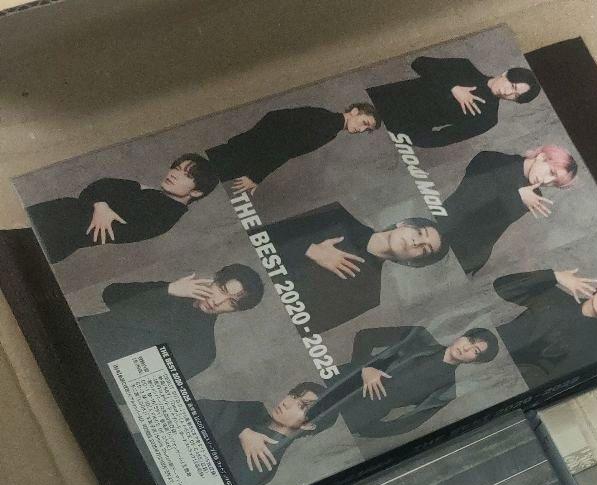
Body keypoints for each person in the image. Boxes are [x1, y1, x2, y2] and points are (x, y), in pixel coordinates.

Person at [264, 207, 446, 334]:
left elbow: (295, 327)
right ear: (403, 223)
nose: (417, 242)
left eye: (425, 249)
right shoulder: (337, 217)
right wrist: (308, 249)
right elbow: (259, 234)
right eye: (420, 233)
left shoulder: (369, 294)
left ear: (412, 263)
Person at [309, 323, 499, 441]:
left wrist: (363, 428)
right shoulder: (419, 336)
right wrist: (365, 368)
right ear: (462, 335)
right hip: (337, 384)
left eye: (475, 351)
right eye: (470, 340)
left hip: (355, 417)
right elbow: (365, 336)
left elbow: (407, 424)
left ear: (475, 361)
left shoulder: (447, 389)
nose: (466, 348)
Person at [76, 265, 264, 381]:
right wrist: (168, 289)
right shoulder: (173, 290)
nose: (217, 301)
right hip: (80, 333)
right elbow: (111, 294)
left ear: (235, 311)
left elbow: (135, 387)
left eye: (232, 303)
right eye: (222, 289)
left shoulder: (203, 351)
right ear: (214, 279)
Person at [26, 154, 218, 262]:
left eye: (186, 175)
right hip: (51, 217)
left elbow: (98, 224)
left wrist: (99, 202)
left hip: (53, 235)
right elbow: (98, 186)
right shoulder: (154, 195)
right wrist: (101, 204)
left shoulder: (163, 218)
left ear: (196, 192)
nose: (174, 174)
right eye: (176, 168)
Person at [493, 267, 597, 389]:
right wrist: (554, 276)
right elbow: (500, 288)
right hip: (487, 352)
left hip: (506, 387)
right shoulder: (552, 296)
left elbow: (551, 389)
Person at [443, 146, 577, 274]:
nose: (546, 181)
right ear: (542, 157)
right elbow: (466, 203)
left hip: (472, 256)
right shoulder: (491, 159)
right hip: (446, 228)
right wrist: (517, 196)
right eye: (551, 172)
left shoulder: (534, 196)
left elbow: (493, 225)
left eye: (555, 183)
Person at [206, 103, 380, 194]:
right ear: (354, 111)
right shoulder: (328, 124)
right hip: (243, 156)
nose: (361, 130)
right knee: (201, 174)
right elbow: (285, 149)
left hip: (243, 151)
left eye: (367, 129)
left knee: (201, 171)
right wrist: (255, 175)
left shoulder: (328, 122)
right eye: (364, 123)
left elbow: (275, 119)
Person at [367, 56, 541, 147]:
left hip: (394, 126)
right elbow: (419, 63)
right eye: (512, 85)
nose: (508, 92)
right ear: (506, 74)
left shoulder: (488, 118)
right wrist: (453, 87)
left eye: (515, 95)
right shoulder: (465, 67)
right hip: (381, 98)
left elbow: (444, 138)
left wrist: (400, 136)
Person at [197, 381, 326, 485]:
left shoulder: (266, 456)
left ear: (308, 424)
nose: (286, 403)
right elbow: (198, 407)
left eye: (301, 406)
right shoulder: (255, 410)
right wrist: (242, 431)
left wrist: (240, 431)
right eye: (293, 395)